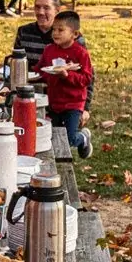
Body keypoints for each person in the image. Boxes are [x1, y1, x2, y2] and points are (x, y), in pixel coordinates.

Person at [14, 0, 94, 119]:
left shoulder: (72, 39)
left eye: (46, 8)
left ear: (57, 11)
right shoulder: (24, 32)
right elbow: (17, 65)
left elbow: (88, 76)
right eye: (37, 7)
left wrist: (85, 109)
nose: (40, 12)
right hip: (30, 94)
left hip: (64, 100)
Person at [39, 10, 94, 158]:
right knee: (55, 135)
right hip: (54, 100)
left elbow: (87, 79)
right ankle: (57, 159)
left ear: (74, 34)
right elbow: (41, 69)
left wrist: (67, 75)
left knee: (69, 138)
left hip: (73, 103)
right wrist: (42, 74)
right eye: (54, 30)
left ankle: (83, 137)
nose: (55, 33)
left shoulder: (80, 53)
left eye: (61, 30)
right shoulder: (49, 50)